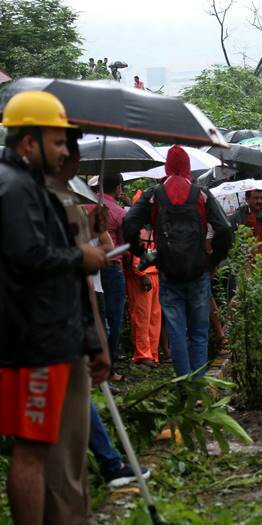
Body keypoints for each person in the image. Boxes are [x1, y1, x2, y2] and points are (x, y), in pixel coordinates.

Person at [0, 91, 109, 525]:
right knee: (32, 450)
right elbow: (30, 258)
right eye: (58, 141)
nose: (67, 151)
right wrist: (80, 257)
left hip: (50, 335)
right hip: (36, 342)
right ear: (29, 142)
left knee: (41, 448)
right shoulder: (14, 189)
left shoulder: (24, 186)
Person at [123, 145, 232, 379]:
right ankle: (199, 388)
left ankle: (184, 391)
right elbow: (224, 229)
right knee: (199, 334)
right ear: (188, 167)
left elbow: (129, 224)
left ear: (167, 166)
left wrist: (141, 252)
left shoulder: (154, 195)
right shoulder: (201, 194)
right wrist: (213, 261)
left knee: (176, 333)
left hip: (168, 273)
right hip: (198, 271)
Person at [96, 172, 128, 382]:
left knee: (98, 318)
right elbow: (124, 247)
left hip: (91, 269)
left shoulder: (86, 206)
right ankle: (110, 367)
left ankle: (97, 365)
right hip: (112, 267)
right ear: (117, 188)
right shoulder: (118, 212)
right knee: (114, 318)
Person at [124, 225, 161, 368]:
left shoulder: (153, 228)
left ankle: (152, 354)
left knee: (154, 317)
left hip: (154, 275)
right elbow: (131, 254)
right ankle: (142, 355)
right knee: (141, 317)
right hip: (140, 277)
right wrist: (141, 274)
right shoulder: (137, 228)